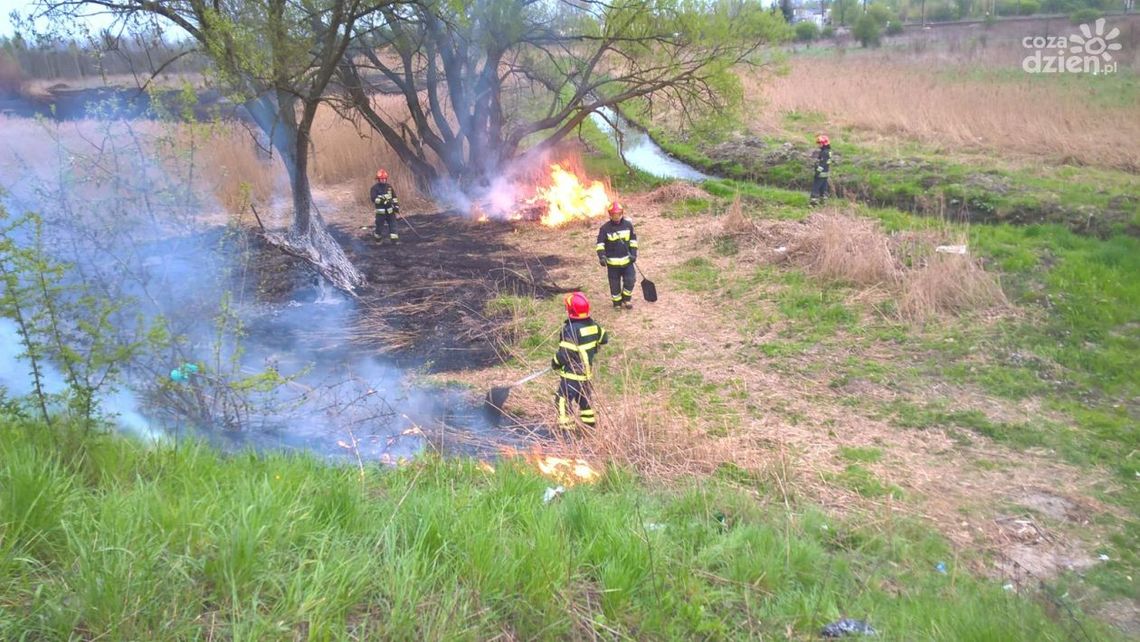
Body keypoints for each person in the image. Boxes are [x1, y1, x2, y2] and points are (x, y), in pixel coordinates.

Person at [551, 292, 608, 431]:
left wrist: (555, 363)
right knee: (585, 401)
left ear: (571, 310)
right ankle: (590, 428)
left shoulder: (570, 330)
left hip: (572, 375)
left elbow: (564, 354)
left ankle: (567, 431)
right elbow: (604, 338)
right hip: (586, 374)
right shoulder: (594, 326)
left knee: (562, 400)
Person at [595, 201, 638, 309]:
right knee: (614, 285)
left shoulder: (628, 226)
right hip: (612, 264)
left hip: (627, 261)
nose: (616, 217)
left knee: (631, 280)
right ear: (610, 215)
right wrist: (602, 257)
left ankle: (626, 299)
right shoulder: (605, 228)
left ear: (622, 213)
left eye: (618, 214)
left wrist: (633, 254)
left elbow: (633, 241)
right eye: (614, 214)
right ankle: (617, 303)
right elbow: (600, 244)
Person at [370, 168, 400, 243]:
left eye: (384, 179)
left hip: (390, 212)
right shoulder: (374, 188)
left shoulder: (389, 187)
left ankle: (395, 241)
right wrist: (383, 201)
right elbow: (374, 199)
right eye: (381, 179)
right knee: (379, 228)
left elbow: (394, 198)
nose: (383, 180)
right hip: (381, 213)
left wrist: (396, 206)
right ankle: (378, 239)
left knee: (393, 226)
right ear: (378, 179)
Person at [810, 134, 831, 207]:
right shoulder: (828, 151)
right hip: (826, 174)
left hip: (821, 174)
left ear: (824, 143)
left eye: (820, 143)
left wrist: (817, 172)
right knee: (823, 189)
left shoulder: (824, 153)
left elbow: (822, 164)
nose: (819, 145)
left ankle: (813, 204)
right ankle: (823, 203)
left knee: (815, 188)